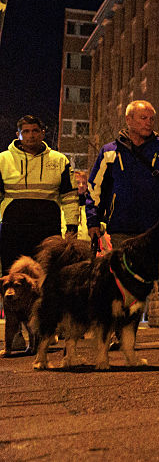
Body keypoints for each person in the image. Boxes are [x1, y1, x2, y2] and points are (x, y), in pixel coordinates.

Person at [85, 101, 159, 346]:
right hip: (122, 227)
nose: (149, 123)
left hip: (157, 228)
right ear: (129, 121)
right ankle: (118, 335)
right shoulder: (110, 152)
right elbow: (94, 189)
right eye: (143, 118)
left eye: (151, 119)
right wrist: (93, 221)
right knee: (122, 283)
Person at [0, 115, 78, 353]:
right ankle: (16, 338)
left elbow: (69, 195)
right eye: (26, 131)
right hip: (14, 228)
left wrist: (72, 226)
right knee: (12, 284)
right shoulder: (3, 159)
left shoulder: (59, 160)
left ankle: (45, 329)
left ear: (43, 133)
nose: (31, 135)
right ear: (18, 135)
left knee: (46, 283)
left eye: (35, 130)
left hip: (47, 230)